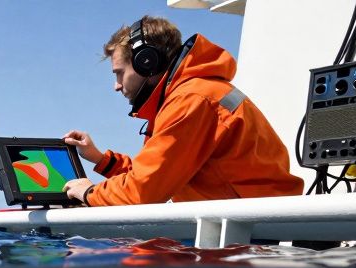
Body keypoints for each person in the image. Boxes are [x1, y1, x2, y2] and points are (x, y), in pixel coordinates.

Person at [62, 16, 302, 206]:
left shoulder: (190, 100)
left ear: (146, 62)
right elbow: (153, 173)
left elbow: (143, 190)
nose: (116, 85)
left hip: (248, 232)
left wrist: (89, 192)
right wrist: (99, 158)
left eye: (119, 73)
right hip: (241, 221)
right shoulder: (191, 94)